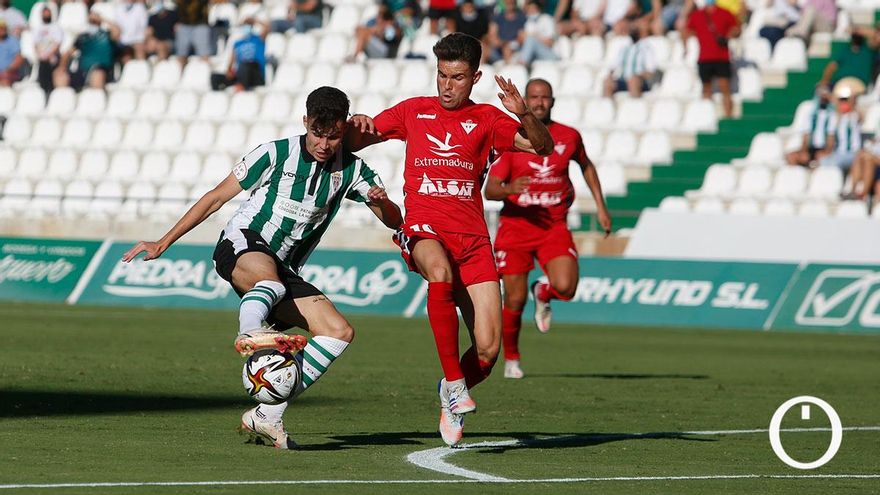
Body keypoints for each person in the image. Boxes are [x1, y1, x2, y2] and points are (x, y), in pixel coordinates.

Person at [122, 86, 403, 450]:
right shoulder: (274, 154)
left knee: (338, 331)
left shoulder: (353, 170)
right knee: (269, 280)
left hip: (284, 271)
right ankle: (251, 334)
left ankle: (266, 415)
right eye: (318, 133)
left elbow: (393, 220)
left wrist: (383, 203)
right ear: (305, 123)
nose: (324, 143)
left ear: (343, 129)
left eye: (333, 136)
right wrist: (163, 241)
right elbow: (215, 198)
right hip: (242, 243)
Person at [347, 33, 553, 447]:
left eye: (457, 77)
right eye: (441, 75)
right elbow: (355, 141)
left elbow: (541, 146)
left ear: (474, 77)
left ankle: (448, 392)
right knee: (438, 272)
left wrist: (523, 113)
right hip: (424, 228)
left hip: (474, 241)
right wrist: (359, 125)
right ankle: (457, 385)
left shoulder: (490, 120)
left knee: (489, 351)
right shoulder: (412, 111)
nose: (446, 85)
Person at [485, 79, 611, 379]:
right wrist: (510, 188)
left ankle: (543, 290)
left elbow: (587, 166)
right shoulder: (513, 140)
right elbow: (490, 189)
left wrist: (601, 207)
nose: (539, 102)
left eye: (545, 97)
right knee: (514, 300)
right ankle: (512, 359)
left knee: (567, 287)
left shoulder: (569, 136)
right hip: (516, 227)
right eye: (534, 97)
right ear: (525, 100)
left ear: (552, 101)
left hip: (553, 226)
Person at [683, 0, 740, 117]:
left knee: (725, 88)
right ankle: (707, 117)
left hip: (721, 57)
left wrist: (727, 36)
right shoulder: (697, 14)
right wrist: (687, 46)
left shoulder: (725, 13)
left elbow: (737, 29)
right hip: (705, 57)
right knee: (706, 89)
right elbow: (686, 30)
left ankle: (728, 116)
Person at [54, 11, 119, 91]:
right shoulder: (83, 37)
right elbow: (68, 53)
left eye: (94, 20)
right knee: (60, 75)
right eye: (90, 19)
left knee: (97, 74)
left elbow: (117, 31)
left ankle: (97, 100)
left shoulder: (106, 35)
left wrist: (102, 19)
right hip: (83, 71)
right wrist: (61, 67)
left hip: (101, 70)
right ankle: (63, 101)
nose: (92, 21)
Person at [785, 89, 835, 167]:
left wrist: (827, 152)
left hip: (823, 147)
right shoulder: (810, 114)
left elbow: (831, 137)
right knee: (792, 156)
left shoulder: (832, 114)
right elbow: (806, 135)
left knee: (821, 158)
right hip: (811, 147)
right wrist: (804, 151)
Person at [214, 18, 267, 91]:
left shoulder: (258, 39)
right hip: (241, 74)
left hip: (255, 73)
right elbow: (231, 63)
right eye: (244, 25)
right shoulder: (237, 43)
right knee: (215, 77)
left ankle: (241, 87)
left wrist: (255, 21)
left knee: (246, 65)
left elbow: (267, 28)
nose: (246, 27)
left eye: (248, 25)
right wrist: (229, 71)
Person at [602, 29, 657, 97]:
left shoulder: (646, 48)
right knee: (607, 82)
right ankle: (607, 106)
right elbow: (613, 66)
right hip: (623, 80)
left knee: (633, 81)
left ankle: (634, 105)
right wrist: (610, 76)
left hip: (640, 81)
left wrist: (637, 76)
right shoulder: (624, 48)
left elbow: (651, 70)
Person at [818, 90, 861, 172]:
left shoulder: (854, 115)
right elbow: (831, 139)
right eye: (842, 101)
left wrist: (851, 100)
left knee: (835, 164)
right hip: (839, 153)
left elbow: (860, 116)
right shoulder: (834, 118)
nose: (844, 103)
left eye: (845, 101)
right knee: (821, 162)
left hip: (854, 153)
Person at [518, 0, 559, 67]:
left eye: (533, 9)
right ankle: (521, 66)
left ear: (539, 9)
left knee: (530, 40)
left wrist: (534, 36)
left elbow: (549, 43)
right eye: (529, 9)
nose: (531, 11)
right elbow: (526, 45)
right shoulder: (528, 22)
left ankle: (521, 66)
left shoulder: (547, 19)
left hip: (551, 55)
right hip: (535, 56)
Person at [33, 6, 63, 93]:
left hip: (52, 56)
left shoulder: (56, 28)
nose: (46, 15)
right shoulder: (37, 28)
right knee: (42, 68)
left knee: (51, 64)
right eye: (44, 14)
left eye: (47, 13)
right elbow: (35, 44)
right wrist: (40, 54)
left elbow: (58, 43)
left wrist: (49, 54)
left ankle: (51, 90)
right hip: (42, 56)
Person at [0, 18, 22, 86]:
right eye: (0, 28)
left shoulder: (13, 41)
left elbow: (19, 58)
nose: (2, 30)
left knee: (5, 79)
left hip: (9, 72)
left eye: (4, 28)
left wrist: (8, 69)